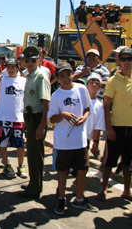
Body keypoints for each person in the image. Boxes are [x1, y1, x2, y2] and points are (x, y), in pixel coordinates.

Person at [48, 62, 98, 214]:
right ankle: (61, 199)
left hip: (80, 140)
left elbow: (88, 108)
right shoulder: (56, 95)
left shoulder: (82, 89)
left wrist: (84, 117)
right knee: (62, 171)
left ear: (72, 74)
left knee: (82, 170)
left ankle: (79, 199)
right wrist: (63, 115)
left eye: (68, 74)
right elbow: (52, 119)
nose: (66, 78)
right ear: (57, 78)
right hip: (63, 142)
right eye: (62, 76)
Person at [96, 47, 132, 202]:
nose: (127, 62)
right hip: (116, 127)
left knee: (127, 162)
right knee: (110, 161)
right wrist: (108, 128)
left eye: (129, 59)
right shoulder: (113, 80)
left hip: (131, 127)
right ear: (119, 61)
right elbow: (106, 105)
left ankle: (126, 191)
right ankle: (103, 189)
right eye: (123, 59)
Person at [18, 46, 51, 199]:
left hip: (37, 119)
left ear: (39, 60)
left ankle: (35, 188)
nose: (30, 63)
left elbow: (46, 104)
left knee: (36, 155)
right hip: (30, 119)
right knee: (31, 154)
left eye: (33, 60)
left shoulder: (40, 77)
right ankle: (33, 184)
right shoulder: (29, 76)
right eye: (27, 60)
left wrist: (42, 127)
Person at [85, 74, 106, 159]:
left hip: (86, 138)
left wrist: (95, 143)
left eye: (97, 83)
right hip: (73, 136)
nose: (94, 85)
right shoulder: (79, 100)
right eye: (92, 82)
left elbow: (98, 127)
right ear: (87, 84)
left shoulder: (99, 105)